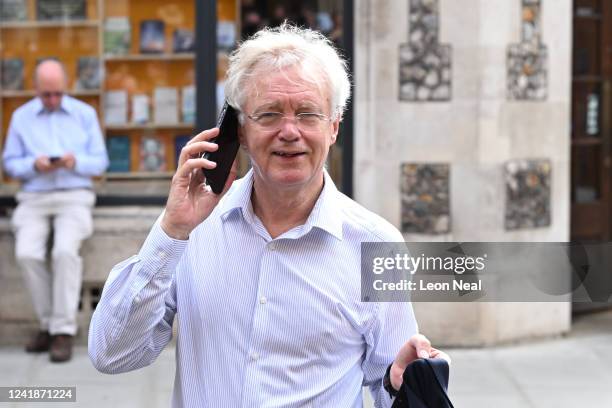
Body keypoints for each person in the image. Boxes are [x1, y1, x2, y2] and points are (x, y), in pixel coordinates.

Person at [89, 25, 448, 406]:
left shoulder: (376, 244)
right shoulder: (192, 229)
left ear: (334, 127)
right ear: (240, 131)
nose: (289, 131)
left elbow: (388, 384)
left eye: (308, 114)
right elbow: (113, 354)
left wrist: (399, 384)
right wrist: (171, 231)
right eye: (269, 114)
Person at [2, 59, 109, 362]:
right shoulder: (21, 117)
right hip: (34, 195)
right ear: (35, 89)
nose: (52, 100)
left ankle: (62, 330)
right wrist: (32, 165)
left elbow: (100, 162)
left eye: (57, 94)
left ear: (65, 88)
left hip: (74, 193)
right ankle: (48, 323)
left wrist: (76, 163)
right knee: (27, 253)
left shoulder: (84, 114)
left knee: (64, 251)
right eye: (46, 94)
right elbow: (9, 163)